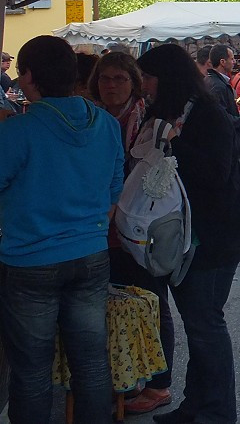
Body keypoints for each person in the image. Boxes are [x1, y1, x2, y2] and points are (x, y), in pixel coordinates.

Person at [0, 36, 124, 424]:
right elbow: (114, 186)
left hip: (29, 261)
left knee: (32, 369)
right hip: (90, 254)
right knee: (90, 362)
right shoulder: (105, 123)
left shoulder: (19, 131)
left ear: (30, 76)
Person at [136, 44, 240, 424]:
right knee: (200, 323)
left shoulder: (205, 115)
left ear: (166, 78)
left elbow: (215, 176)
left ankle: (218, 412)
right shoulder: (173, 113)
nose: (143, 86)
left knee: (205, 324)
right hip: (194, 234)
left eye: (147, 78)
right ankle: (195, 406)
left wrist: (171, 148)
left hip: (213, 236)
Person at [88, 51, 177, 415]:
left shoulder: (145, 119)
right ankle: (126, 378)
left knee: (150, 301)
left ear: (133, 82)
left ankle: (158, 383)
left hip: (138, 225)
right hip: (103, 227)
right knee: (116, 305)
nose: (111, 85)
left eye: (119, 79)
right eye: (105, 79)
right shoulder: (93, 115)